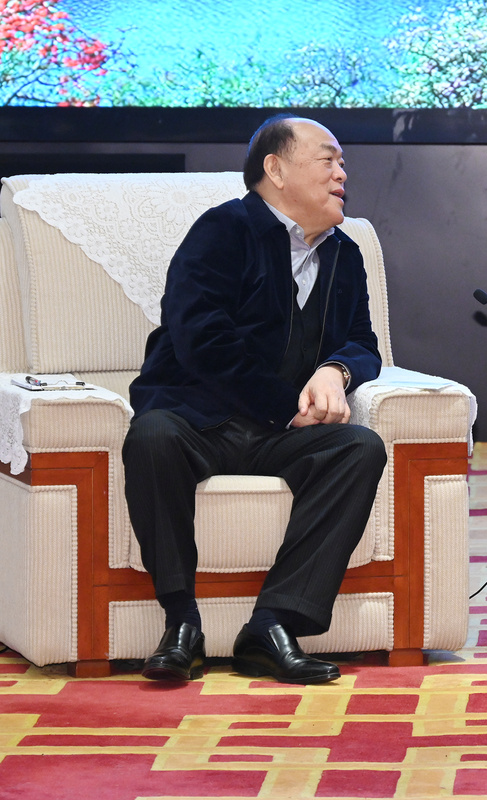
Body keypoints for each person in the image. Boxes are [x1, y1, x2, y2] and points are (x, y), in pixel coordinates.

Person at [123, 115, 387, 684]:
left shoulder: (345, 253)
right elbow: (201, 338)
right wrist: (287, 403)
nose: (343, 173)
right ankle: (181, 621)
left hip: (278, 435)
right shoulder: (222, 230)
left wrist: (335, 372)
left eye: (342, 163)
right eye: (328, 159)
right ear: (275, 168)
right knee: (151, 435)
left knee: (358, 448)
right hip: (200, 420)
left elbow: (362, 344)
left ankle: (271, 626)